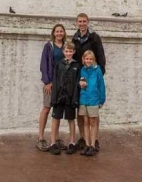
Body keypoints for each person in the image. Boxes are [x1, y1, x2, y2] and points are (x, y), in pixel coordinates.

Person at [72, 13, 106, 150]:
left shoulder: (94, 37)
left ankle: (95, 139)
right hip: (80, 76)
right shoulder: (74, 38)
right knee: (81, 111)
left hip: (92, 74)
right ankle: (84, 138)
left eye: (84, 21)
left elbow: (101, 56)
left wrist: (98, 75)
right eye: (79, 21)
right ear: (77, 23)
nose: (82, 24)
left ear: (88, 22)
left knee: (93, 114)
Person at [48, 41, 81, 156]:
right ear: (63, 52)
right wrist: (54, 98)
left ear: (74, 52)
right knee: (55, 119)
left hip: (70, 97)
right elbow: (55, 81)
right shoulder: (59, 64)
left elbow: (78, 83)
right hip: (59, 96)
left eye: (70, 51)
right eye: (66, 51)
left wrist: (75, 99)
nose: (68, 53)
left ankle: (72, 142)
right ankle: (52, 142)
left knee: (71, 119)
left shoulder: (77, 65)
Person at [37, 23, 66, 151]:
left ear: (64, 33)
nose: (59, 33)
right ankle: (41, 137)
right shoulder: (49, 46)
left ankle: (56, 137)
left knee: (57, 111)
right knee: (46, 108)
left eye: (61, 31)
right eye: (57, 31)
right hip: (50, 83)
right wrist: (47, 82)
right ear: (54, 33)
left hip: (61, 83)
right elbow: (44, 64)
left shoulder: (66, 47)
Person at [78, 50, 105, 157]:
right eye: (87, 59)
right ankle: (87, 144)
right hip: (84, 99)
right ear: (83, 60)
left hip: (93, 99)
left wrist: (101, 100)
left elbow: (101, 86)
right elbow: (81, 82)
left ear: (93, 60)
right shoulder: (82, 70)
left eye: (90, 59)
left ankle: (93, 145)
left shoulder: (97, 70)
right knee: (85, 122)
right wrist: (81, 85)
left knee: (93, 122)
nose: (88, 61)